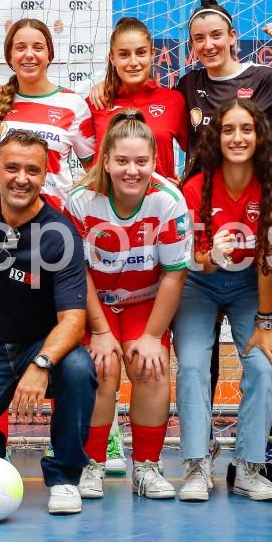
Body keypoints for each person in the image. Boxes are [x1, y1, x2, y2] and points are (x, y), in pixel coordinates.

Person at [0, 130, 97, 515]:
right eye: (11, 167)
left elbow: (74, 320)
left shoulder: (60, 234)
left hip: (38, 346)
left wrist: (41, 364)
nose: (21, 178)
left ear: (45, 175)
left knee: (78, 367)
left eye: (32, 170)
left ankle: (64, 477)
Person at [171, 98, 272, 502]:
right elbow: (193, 262)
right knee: (194, 367)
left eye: (246, 130)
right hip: (200, 284)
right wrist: (212, 255)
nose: (237, 137)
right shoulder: (196, 187)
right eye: (229, 129)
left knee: (263, 365)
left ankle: (250, 468)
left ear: (260, 136)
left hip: (253, 285)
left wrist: (267, 324)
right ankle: (197, 466)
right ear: (216, 137)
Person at [64, 111, 191, 500]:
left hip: (144, 301)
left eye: (141, 162)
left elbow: (174, 273)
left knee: (150, 368)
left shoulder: (168, 201)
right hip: (94, 303)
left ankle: (147, 467)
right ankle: (92, 463)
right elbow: (77, 271)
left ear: (155, 161)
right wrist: (100, 331)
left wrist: (153, 336)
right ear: (105, 161)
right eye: (122, 161)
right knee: (100, 370)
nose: (132, 170)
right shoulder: (80, 200)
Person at [177, 0, 272, 157]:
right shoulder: (188, 84)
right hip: (203, 183)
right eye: (199, 38)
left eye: (216, 35)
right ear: (192, 44)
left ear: (232, 37)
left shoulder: (265, 79)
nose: (208, 45)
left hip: (261, 182)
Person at [0, 18, 96, 208]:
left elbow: (94, 172)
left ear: (49, 55)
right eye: (21, 48)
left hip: (54, 224)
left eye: (38, 48)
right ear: (10, 56)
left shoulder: (73, 105)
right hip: (2, 222)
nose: (29, 55)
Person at [86, 17, 187, 179]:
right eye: (124, 54)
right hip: (107, 201)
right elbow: (87, 161)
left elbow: (198, 151)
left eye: (140, 53)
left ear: (152, 54)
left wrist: (186, 185)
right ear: (112, 58)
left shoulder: (174, 100)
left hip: (158, 201)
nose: (133, 62)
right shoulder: (96, 102)